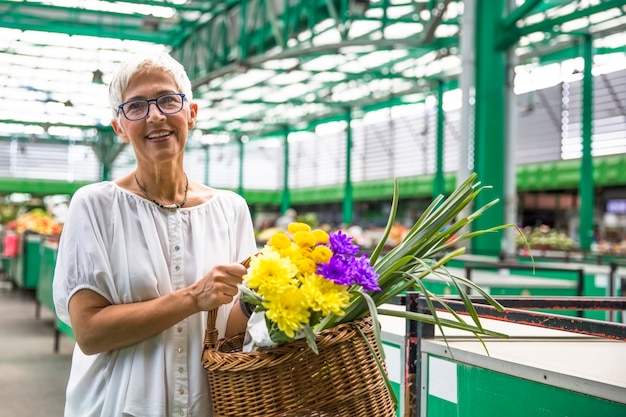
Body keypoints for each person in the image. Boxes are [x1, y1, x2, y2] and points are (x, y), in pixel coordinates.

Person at [52, 52, 258, 417]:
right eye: (136, 106)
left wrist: (269, 300)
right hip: (116, 406)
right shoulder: (95, 207)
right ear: (120, 126)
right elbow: (89, 332)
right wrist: (195, 297)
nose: (155, 115)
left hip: (206, 405)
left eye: (167, 100)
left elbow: (233, 331)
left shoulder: (231, 210)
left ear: (191, 113)